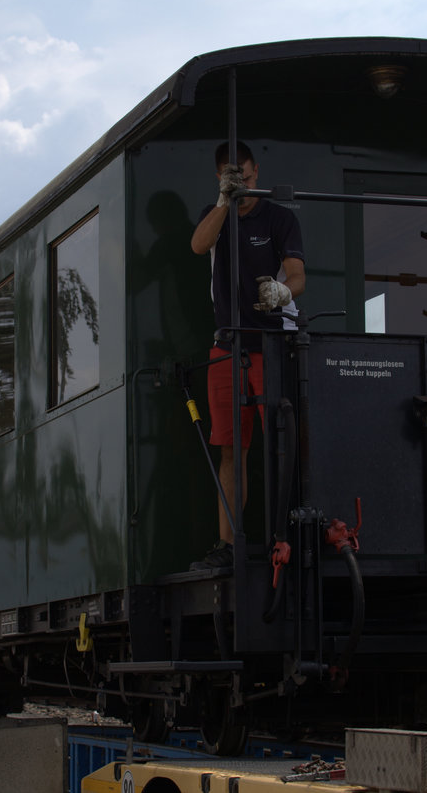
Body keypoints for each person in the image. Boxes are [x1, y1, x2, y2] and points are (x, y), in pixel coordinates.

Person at [189, 141, 306, 570]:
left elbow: (297, 276)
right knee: (230, 450)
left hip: (274, 344)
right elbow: (198, 246)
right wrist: (224, 200)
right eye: (234, 177)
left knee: (284, 444)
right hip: (227, 348)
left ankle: (290, 537)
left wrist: (281, 293)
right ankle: (229, 545)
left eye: (248, 176)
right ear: (221, 178)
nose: (246, 183)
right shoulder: (215, 216)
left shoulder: (279, 217)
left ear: (258, 170)